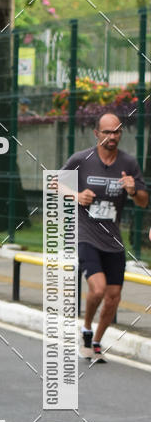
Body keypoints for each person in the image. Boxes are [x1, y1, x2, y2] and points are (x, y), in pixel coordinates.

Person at [63, 111, 148, 361]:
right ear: (96, 133)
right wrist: (76, 196)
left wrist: (133, 191)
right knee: (98, 290)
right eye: (108, 132)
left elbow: (143, 202)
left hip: (114, 239)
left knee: (113, 298)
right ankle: (87, 327)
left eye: (117, 132)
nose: (112, 137)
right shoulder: (82, 159)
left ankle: (97, 341)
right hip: (87, 234)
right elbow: (54, 183)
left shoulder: (128, 163)